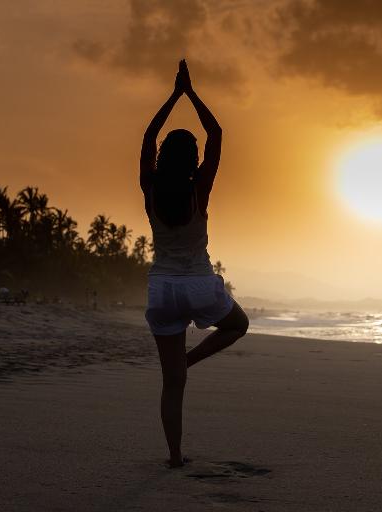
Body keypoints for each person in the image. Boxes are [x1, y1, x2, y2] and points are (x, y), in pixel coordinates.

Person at [140, 60, 249, 468]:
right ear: (193, 160)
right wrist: (190, 92)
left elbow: (149, 136)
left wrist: (172, 96)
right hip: (199, 284)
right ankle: (190, 359)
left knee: (172, 385)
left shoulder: (149, 188)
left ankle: (174, 456)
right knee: (238, 325)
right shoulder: (198, 189)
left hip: (162, 289)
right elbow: (217, 134)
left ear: (164, 156)